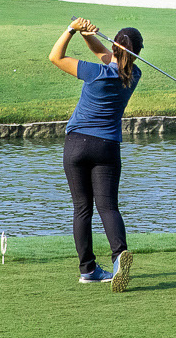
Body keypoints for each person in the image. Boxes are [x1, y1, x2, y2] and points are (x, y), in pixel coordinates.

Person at [50, 17, 142, 291]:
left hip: (77, 144)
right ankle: (119, 258)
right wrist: (86, 35)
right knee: (108, 207)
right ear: (137, 53)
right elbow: (106, 55)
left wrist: (71, 30)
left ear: (114, 47)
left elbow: (56, 57)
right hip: (107, 147)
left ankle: (88, 270)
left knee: (82, 209)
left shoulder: (94, 73)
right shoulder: (134, 75)